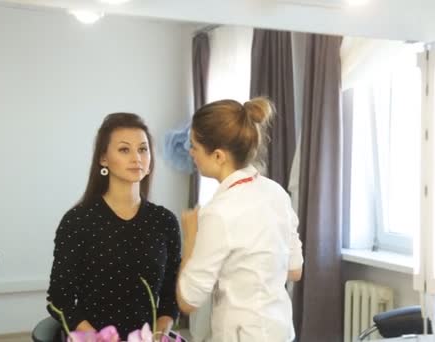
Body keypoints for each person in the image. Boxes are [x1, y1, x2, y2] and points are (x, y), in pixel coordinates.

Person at [177, 98, 304, 342]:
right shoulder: (276, 192)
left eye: (194, 146)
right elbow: (294, 269)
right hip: (280, 332)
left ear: (218, 156)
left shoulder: (218, 212)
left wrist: (191, 237)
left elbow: (188, 300)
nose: (191, 152)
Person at [46, 113, 180, 340]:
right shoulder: (77, 221)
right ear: (103, 159)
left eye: (143, 149)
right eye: (125, 150)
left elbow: (170, 298)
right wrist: (100, 338)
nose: (137, 158)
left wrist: (157, 335)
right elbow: (60, 299)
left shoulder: (164, 221)